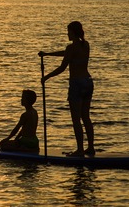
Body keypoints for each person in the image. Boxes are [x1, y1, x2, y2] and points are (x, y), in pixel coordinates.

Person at [39, 21, 94, 157]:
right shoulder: (85, 45)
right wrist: (48, 54)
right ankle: (91, 148)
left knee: (76, 119)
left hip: (77, 84)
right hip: (88, 82)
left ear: (73, 32)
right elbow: (67, 53)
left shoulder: (71, 48)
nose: (67, 34)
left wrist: (46, 77)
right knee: (85, 117)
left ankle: (80, 150)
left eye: (68, 31)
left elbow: (63, 67)